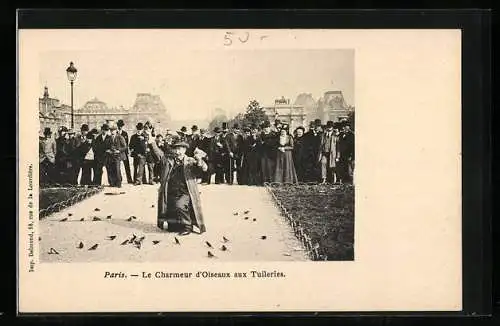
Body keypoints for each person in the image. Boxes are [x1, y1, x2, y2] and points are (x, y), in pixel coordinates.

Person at [148, 137, 208, 235]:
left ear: (184, 149)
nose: (177, 151)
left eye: (180, 149)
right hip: (171, 191)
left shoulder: (190, 161)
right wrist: (152, 142)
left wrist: (200, 161)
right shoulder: (168, 160)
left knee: (179, 205)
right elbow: (158, 154)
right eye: (176, 148)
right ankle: (178, 225)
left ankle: (188, 227)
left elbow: (203, 169)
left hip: (185, 192)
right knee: (171, 219)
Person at [104, 123, 127, 187]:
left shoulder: (120, 137)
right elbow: (106, 147)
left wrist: (118, 150)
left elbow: (125, 147)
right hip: (111, 156)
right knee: (111, 169)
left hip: (118, 156)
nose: (112, 131)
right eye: (111, 130)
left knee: (117, 169)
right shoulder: (108, 138)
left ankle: (119, 183)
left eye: (113, 130)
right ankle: (112, 183)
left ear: (116, 130)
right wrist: (108, 150)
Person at [117, 119, 134, 184]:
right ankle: (119, 179)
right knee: (118, 167)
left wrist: (127, 151)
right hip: (118, 152)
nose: (120, 127)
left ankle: (129, 179)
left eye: (121, 126)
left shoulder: (125, 133)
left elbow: (127, 143)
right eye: (119, 125)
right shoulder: (116, 133)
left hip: (124, 152)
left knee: (127, 166)